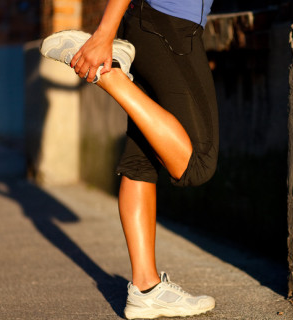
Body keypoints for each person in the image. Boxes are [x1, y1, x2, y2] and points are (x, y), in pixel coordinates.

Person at [40, 0, 218, 318]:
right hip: (170, 26)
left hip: (148, 25)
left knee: (141, 159)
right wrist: (103, 34)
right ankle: (109, 77)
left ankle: (145, 288)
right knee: (198, 163)